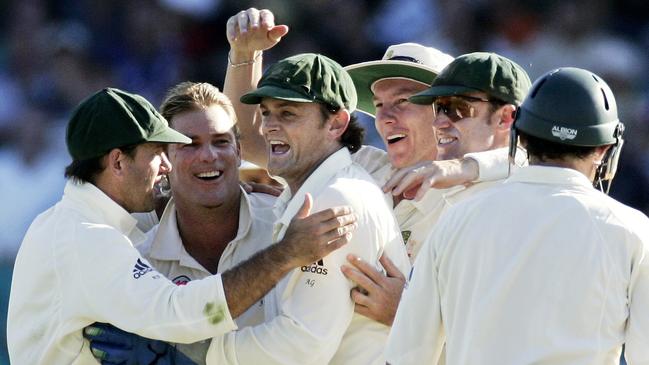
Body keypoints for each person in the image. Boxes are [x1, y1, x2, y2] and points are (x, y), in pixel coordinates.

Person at [223, 7, 531, 327]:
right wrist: (245, 55)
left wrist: (409, 315)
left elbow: (502, 332)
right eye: (379, 105)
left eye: (403, 102)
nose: (384, 118)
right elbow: (254, 144)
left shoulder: (488, 191)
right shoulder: (364, 167)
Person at [6, 87, 357, 364]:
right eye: (158, 152)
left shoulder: (75, 224)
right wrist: (285, 254)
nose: (166, 166)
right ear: (117, 162)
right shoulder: (89, 239)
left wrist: (257, 189)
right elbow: (180, 312)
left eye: (221, 142)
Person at [386, 68, 649, 364]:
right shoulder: (633, 230)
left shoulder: (458, 218)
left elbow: (407, 355)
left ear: (520, 136)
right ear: (604, 150)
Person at [213, 52, 410, 364]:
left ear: (336, 123)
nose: (268, 128)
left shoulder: (336, 198)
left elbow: (303, 344)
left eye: (288, 114)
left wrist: (200, 351)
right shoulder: (320, 189)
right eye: (266, 114)